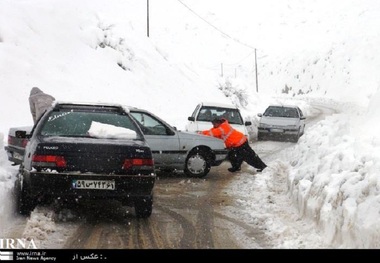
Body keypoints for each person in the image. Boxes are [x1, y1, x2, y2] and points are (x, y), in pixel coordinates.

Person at [200, 117, 267, 173]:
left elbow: (212, 133)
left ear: (218, 123)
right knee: (232, 155)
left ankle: (262, 167)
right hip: (236, 144)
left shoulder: (223, 128)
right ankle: (236, 167)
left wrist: (201, 134)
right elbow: (211, 131)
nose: (213, 125)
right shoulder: (220, 126)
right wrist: (201, 133)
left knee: (249, 157)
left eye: (214, 124)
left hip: (241, 143)